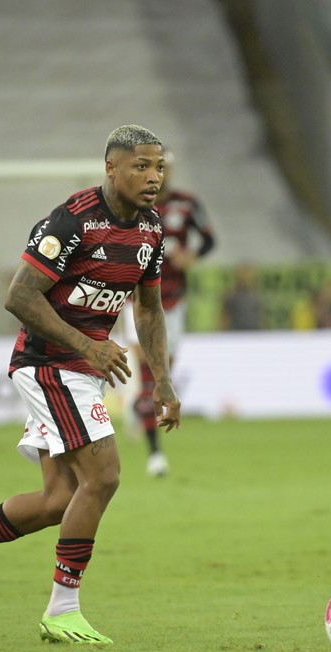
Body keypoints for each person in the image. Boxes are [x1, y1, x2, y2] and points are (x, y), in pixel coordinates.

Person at [0, 125, 182, 645]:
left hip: (82, 370)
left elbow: (148, 308)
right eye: (141, 167)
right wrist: (88, 346)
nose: (153, 178)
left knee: (60, 499)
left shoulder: (150, 229)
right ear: (111, 168)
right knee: (103, 477)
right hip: (49, 363)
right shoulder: (73, 220)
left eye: (158, 167)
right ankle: (62, 609)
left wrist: (162, 383)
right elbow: (19, 297)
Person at [121, 152, 215, 477]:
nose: (158, 175)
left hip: (174, 300)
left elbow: (210, 238)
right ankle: (155, 455)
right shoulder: (131, 205)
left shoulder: (187, 204)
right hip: (138, 300)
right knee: (149, 370)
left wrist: (193, 255)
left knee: (164, 375)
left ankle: (138, 407)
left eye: (164, 168)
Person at [220, 263, 262, 331]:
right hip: (235, 334)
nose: (245, 275)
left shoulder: (256, 295)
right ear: (237, 274)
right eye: (243, 272)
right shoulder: (230, 295)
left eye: (248, 272)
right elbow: (224, 317)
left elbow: (261, 318)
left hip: (254, 334)